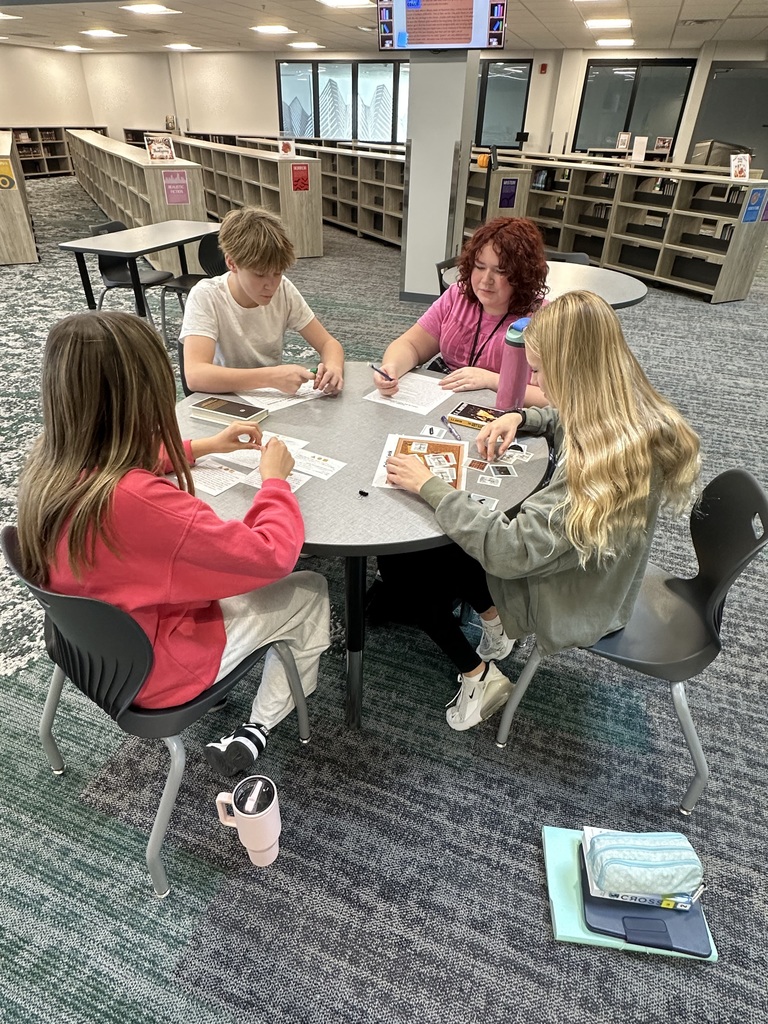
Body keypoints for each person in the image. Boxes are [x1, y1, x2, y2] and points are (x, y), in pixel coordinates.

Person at [16, 311, 331, 776]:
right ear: (142, 398)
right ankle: (261, 725)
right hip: (160, 670)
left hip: (86, 651)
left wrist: (200, 447)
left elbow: (113, 459)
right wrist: (273, 483)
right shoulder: (142, 505)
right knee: (311, 589)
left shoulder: (46, 462)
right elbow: (271, 555)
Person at [384, 291, 700, 732]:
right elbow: (567, 416)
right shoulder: (621, 404)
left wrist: (430, 485)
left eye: (539, 369)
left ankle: (479, 677)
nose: (535, 378)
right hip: (600, 569)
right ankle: (495, 624)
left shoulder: (599, 464)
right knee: (446, 537)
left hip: (577, 597)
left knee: (405, 560)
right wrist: (524, 418)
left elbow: (509, 552)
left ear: (573, 369)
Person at [372, 216, 549, 405]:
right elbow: (411, 345)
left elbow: (556, 399)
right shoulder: (458, 296)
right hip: (443, 401)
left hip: (503, 412)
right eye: (479, 267)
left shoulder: (542, 319)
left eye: (501, 271)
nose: (486, 279)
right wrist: (392, 367)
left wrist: (491, 380)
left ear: (522, 275)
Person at [181, 206, 345, 396]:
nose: (271, 285)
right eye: (259, 275)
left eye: (277, 273)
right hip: (223, 400)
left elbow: (328, 343)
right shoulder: (206, 296)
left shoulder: (283, 289)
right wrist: (270, 377)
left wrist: (333, 369)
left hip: (269, 401)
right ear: (232, 263)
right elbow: (195, 375)